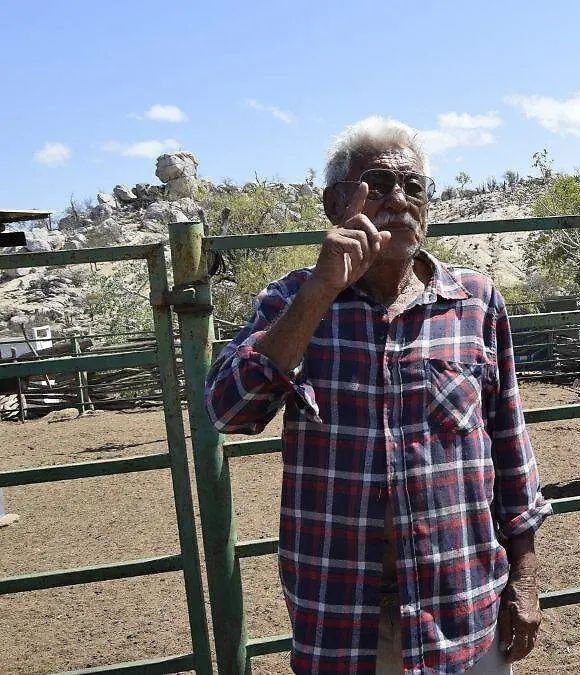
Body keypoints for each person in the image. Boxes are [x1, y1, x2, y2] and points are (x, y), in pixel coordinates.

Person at [205, 116, 550, 674]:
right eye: (378, 184)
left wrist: (526, 583)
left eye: (412, 187)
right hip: (343, 621)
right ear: (336, 203)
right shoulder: (295, 301)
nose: (398, 199)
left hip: (462, 611)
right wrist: (321, 290)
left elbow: (511, 455)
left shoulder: (476, 303)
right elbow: (228, 410)